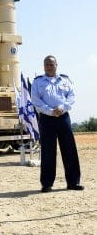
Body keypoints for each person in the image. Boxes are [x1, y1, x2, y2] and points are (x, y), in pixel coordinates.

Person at [31, 55, 84, 192]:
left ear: (56, 65)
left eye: (52, 64)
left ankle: (73, 182)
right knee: (48, 151)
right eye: (47, 64)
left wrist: (62, 108)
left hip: (63, 117)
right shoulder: (38, 82)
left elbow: (72, 96)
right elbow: (36, 101)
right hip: (46, 119)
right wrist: (50, 111)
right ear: (44, 66)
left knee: (69, 149)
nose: (49, 66)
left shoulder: (65, 80)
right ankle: (47, 184)